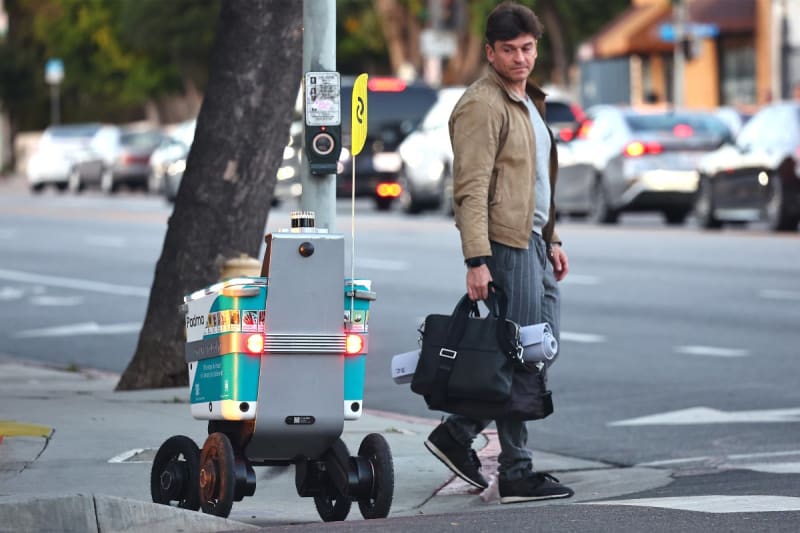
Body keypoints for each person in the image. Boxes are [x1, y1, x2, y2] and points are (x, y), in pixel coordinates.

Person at [423, 1, 573, 504]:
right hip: (504, 245)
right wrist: (476, 259)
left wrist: (551, 238)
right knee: (524, 353)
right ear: (490, 52)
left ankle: (460, 431)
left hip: (533, 242)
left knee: (539, 347)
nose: (520, 58)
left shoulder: (529, 100)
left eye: (527, 48)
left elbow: (534, 180)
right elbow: (469, 187)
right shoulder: (481, 105)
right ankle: (516, 468)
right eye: (508, 50)